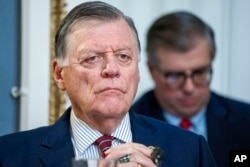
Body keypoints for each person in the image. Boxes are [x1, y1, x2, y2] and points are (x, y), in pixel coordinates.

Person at [0, 2, 217, 167]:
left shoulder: (190, 149)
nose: (112, 69)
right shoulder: (9, 154)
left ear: (138, 70)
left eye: (123, 56)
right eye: (92, 58)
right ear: (59, 74)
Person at [132, 11, 250, 167]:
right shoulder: (126, 127)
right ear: (152, 71)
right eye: (174, 76)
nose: (189, 88)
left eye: (200, 73)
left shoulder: (245, 121)